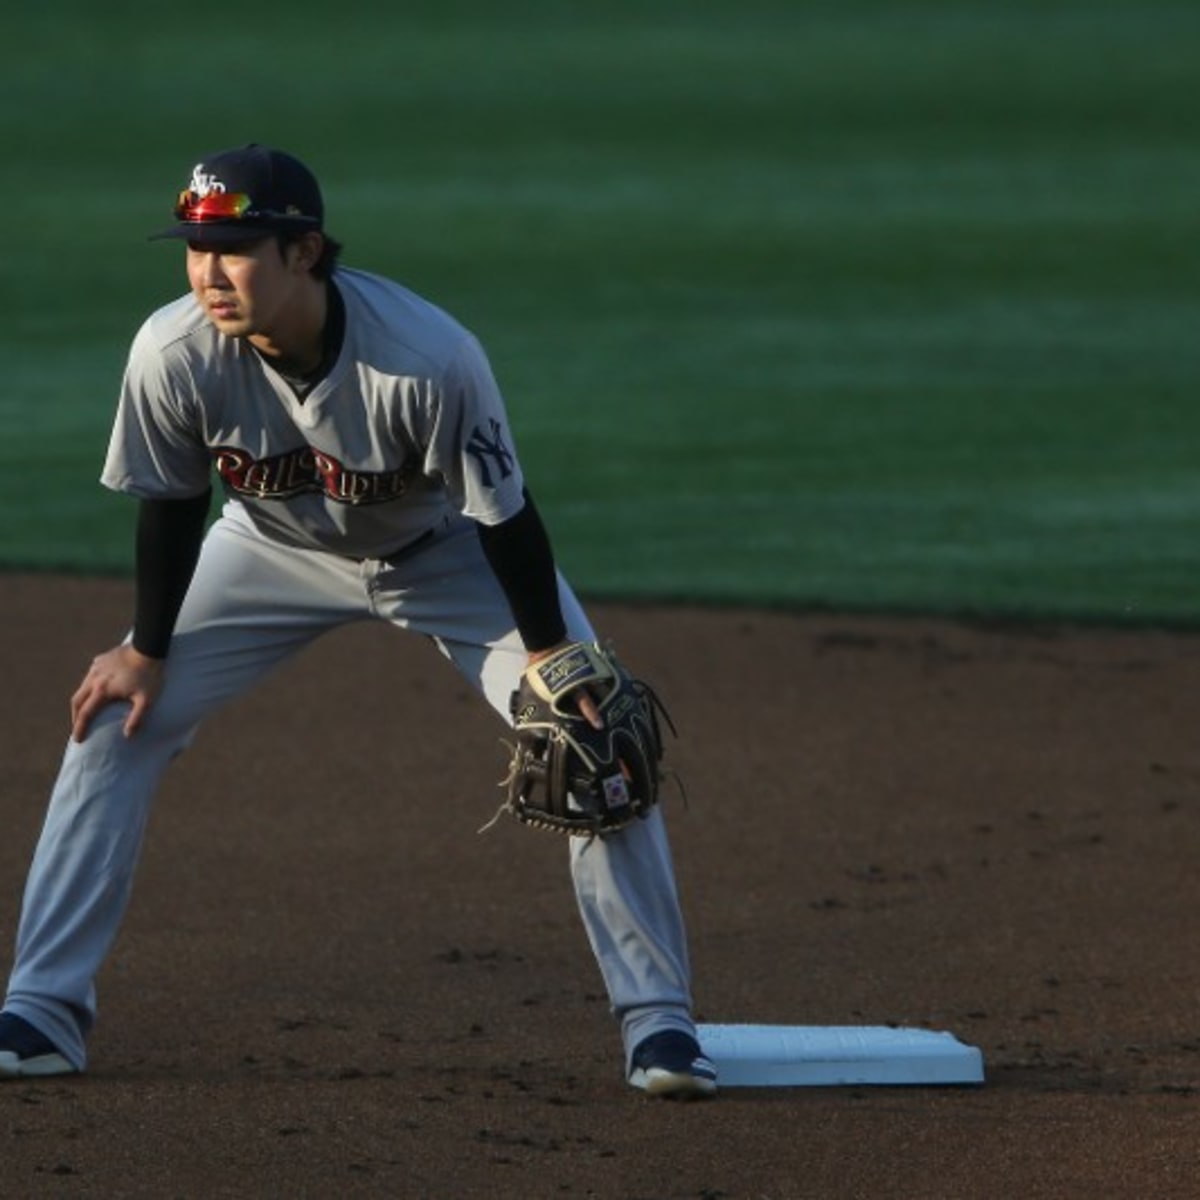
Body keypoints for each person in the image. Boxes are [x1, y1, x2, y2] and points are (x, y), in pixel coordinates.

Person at [0, 145, 716, 1098]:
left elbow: (504, 514)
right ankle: (41, 1012)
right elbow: (171, 505)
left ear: (306, 252)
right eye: (195, 249)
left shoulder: (427, 358)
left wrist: (552, 655)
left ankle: (659, 1025)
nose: (210, 274)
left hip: (446, 556)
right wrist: (145, 646)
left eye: (239, 248)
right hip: (267, 553)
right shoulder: (170, 353)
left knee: (589, 737)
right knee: (113, 724)